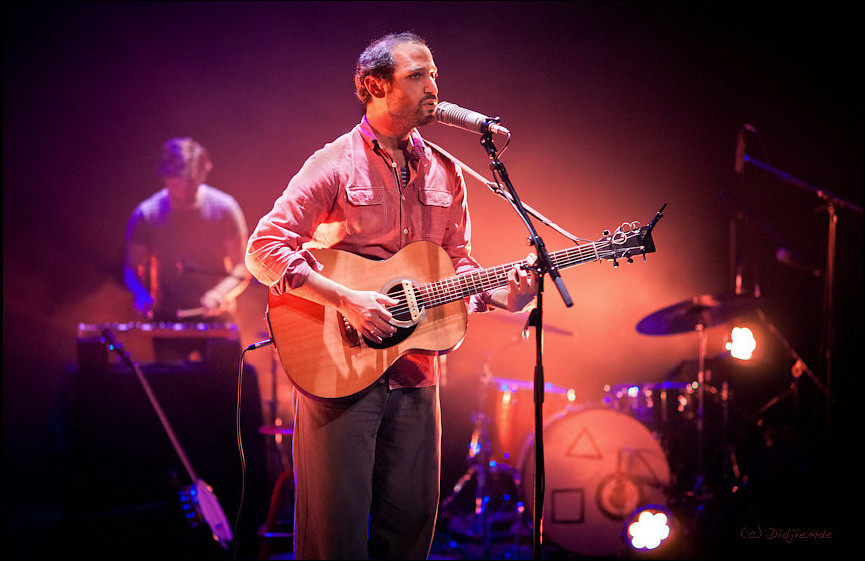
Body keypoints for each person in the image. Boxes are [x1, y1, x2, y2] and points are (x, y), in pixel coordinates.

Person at [245, 32, 537, 559]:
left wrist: (501, 296)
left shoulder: (447, 170)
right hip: (339, 371)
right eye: (419, 76)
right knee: (334, 538)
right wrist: (345, 299)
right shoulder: (334, 162)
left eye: (435, 76)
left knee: (409, 532)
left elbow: (457, 267)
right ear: (375, 86)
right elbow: (263, 248)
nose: (434, 87)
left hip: (418, 372)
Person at [124, 137, 251, 323]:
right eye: (177, 181)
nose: (183, 188)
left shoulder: (225, 209)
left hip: (217, 315)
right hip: (167, 315)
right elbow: (131, 269)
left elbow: (241, 266)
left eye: (190, 182)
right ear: (166, 178)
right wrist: (141, 296)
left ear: (202, 175)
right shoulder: (146, 214)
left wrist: (219, 293)